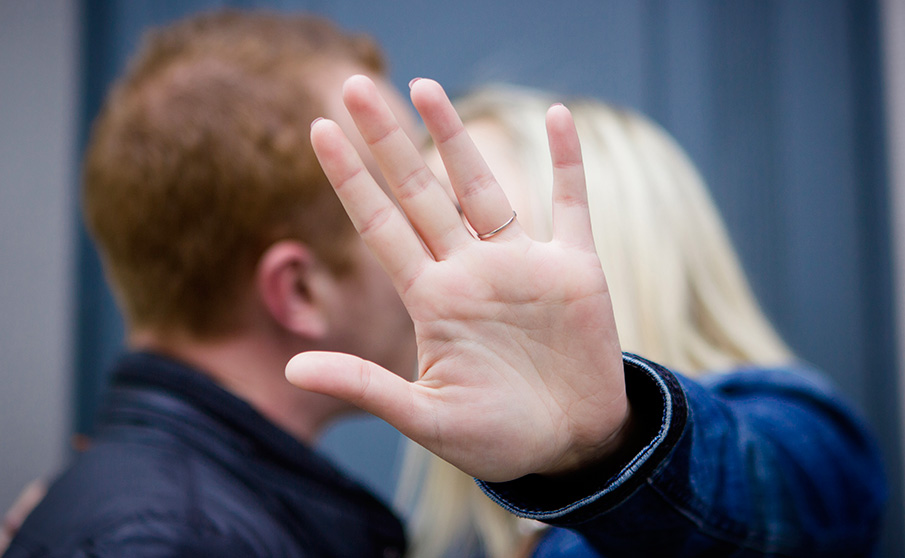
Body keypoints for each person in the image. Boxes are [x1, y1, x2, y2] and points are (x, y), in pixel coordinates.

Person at [286, 78, 888, 557]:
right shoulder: (467, 526)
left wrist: (606, 448)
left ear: (619, 241)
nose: (428, 270)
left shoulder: (802, 434)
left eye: (468, 222)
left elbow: (775, 497)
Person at [4, 10, 420, 556]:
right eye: (403, 213)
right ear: (300, 290)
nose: (438, 250)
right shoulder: (170, 539)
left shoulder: (156, 520)